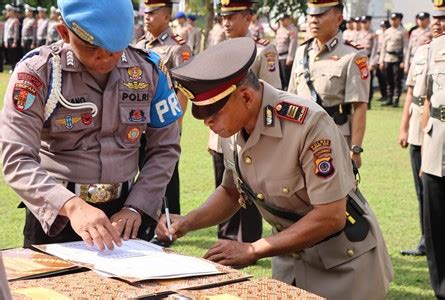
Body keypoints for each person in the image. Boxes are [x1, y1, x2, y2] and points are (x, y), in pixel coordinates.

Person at [157, 37, 393, 300]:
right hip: (290, 262)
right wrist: (187, 222)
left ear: (246, 96)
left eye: (214, 114)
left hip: (343, 265)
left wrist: (253, 250)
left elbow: (330, 215)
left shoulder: (308, 124)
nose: (207, 124)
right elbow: (231, 191)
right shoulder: (233, 127)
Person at [0, 0, 181, 251]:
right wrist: (71, 206)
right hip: (57, 217)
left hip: (127, 218)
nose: (105, 57)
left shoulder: (150, 71)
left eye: (115, 48)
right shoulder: (37, 75)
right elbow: (17, 159)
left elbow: (165, 148)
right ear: (64, 33)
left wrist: (137, 206)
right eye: (92, 47)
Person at [215, 0, 281, 245]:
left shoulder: (264, 51)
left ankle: (249, 240)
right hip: (223, 133)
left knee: (252, 187)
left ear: (249, 19)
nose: (226, 23)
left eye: (232, 17)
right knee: (224, 185)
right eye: (223, 17)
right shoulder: (218, 49)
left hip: (252, 133)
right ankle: (226, 237)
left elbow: (271, 94)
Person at [288, 0, 369, 170]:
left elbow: (359, 106)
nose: (313, 20)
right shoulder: (302, 52)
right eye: (311, 15)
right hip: (300, 138)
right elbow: (291, 98)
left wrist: (355, 149)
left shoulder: (353, 55)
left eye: (320, 14)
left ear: (339, 19)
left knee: (337, 193)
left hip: (335, 138)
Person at [136, 0, 193, 218]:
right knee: (141, 174)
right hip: (139, 124)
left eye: (152, 13)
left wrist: (174, 126)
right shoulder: (140, 45)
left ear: (166, 17)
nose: (147, 17)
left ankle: (169, 224)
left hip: (165, 124)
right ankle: (145, 220)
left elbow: (184, 90)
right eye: (146, 13)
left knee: (166, 176)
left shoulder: (178, 47)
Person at [399, 24, 437, 258]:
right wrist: (403, 128)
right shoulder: (422, 52)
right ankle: (427, 239)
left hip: (438, 128)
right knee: (422, 190)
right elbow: (412, 93)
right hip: (418, 129)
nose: (438, 23)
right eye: (436, 18)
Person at [418, 2, 445, 298]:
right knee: (436, 224)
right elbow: (426, 100)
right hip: (437, 143)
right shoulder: (434, 49)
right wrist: (425, 149)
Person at [379, 12, 408, 107]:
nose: (393, 21)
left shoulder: (403, 31)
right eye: (392, 19)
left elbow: (405, 47)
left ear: (399, 20)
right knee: (388, 79)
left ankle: (396, 99)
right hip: (388, 58)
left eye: (395, 19)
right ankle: (389, 98)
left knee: (397, 80)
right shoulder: (387, 31)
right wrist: (381, 60)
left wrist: (404, 61)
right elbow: (383, 47)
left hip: (397, 59)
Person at [357, 15, 376, 109]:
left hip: (368, 60)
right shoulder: (358, 34)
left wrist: (372, 62)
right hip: (359, 60)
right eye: (362, 22)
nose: (363, 24)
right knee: (359, 81)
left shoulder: (373, 34)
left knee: (368, 82)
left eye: (365, 22)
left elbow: (375, 49)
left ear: (369, 22)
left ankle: (368, 102)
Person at [276, 14, 298, 91]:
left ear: (288, 19)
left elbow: (293, 44)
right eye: (280, 20)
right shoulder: (279, 29)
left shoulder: (292, 29)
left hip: (286, 57)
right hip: (278, 57)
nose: (281, 21)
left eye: (283, 20)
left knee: (287, 79)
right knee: (280, 78)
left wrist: (290, 57)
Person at [370, 20, 390, 102]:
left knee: (386, 77)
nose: (383, 28)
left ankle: (388, 96)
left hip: (386, 57)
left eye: (384, 27)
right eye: (382, 26)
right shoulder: (378, 34)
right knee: (379, 76)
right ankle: (383, 95)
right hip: (377, 56)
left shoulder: (388, 34)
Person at [3, 4, 21, 72]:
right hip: (8, 39)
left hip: (12, 39)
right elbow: (6, 32)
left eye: (8, 11)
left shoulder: (15, 20)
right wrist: (5, 41)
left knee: (14, 55)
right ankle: (11, 67)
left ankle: (15, 68)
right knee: (10, 55)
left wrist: (15, 41)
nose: (7, 12)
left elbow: (16, 32)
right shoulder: (7, 21)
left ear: (12, 12)